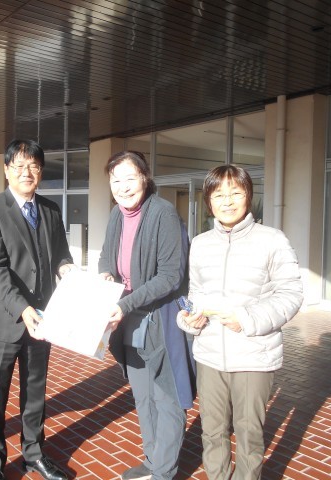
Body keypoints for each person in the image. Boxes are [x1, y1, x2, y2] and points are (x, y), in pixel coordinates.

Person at [177, 165, 303, 480]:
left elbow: (291, 294)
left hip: (253, 354)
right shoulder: (200, 243)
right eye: (219, 194)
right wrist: (190, 318)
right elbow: (195, 293)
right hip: (209, 354)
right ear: (209, 201)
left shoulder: (272, 240)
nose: (228, 201)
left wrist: (246, 319)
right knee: (212, 430)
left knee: (249, 434)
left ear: (248, 195)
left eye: (235, 192)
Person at [0, 139, 76, 480]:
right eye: (19, 165)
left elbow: (61, 254)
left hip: (43, 319)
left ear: (41, 172)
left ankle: (34, 454)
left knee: (35, 392)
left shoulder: (51, 210)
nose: (26, 172)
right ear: (6, 170)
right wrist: (23, 307)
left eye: (33, 166)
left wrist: (66, 269)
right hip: (3, 319)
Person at [98, 151, 196, 480]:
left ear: (145, 177)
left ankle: (164, 472)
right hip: (128, 319)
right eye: (116, 180)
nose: (123, 187)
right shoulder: (116, 214)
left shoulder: (163, 213)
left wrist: (124, 304)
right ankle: (153, 460)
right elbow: (106, 259)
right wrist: (106, 276)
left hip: (159, 319)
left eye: (130, 178)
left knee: (167, 397)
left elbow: (170, 277)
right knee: (143, 396)